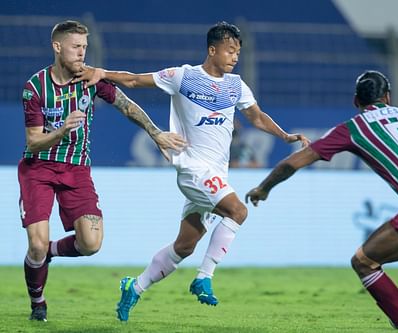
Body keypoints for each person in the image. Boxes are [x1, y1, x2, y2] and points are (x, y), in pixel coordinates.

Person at [73, 21, 310, 321]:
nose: (235, 57)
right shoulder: (182, 76)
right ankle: (204, 277)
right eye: (230, 50)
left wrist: (286, 136)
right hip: (192, 168)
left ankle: (135, 286)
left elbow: (258, 117)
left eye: (238, 51)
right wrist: (103, 73)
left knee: (184, 245)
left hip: (215, 175)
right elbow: (133, 81)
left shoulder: (237, 86)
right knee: (238, 211)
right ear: (213, 50)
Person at [245, 70, 398, 333]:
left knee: (364, 263)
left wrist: (264, 188)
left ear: (356, 101)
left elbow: (293, 162)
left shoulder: (352, 129)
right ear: (387, 97)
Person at [19, 20, 186, 322]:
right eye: (76, 47)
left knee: (91, 244)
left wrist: (155, 132)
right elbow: (32, 143)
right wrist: (61, 130)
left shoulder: (90, 80)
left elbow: (126, 105)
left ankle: (50, 254)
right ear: (57, 47)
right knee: (35, 244)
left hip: (77, 170)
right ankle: (38, 302)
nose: (82, 53)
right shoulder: (35, 88)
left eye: (85, 47)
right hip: (39, 169)